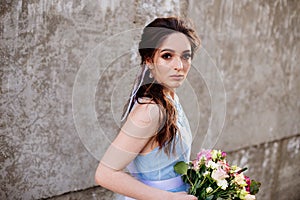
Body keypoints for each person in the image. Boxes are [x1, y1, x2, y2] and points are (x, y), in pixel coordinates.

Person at [95, 16, 201, 200]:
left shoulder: (169, 97)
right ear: (149, 60)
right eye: (167, 56)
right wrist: (171, 198)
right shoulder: (150, 111)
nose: (179, 66)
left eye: (185, 56)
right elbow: (105, 174)